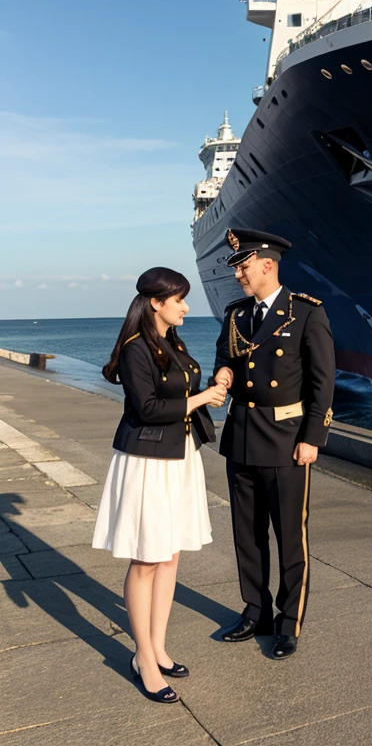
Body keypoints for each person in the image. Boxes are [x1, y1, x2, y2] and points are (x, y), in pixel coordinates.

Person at [92, 267, 227, 702]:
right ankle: (143, 659)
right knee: (147, 559)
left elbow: (177, 393)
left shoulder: (174, 343)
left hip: (178, 457)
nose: (187, 306)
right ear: (157, 302)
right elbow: (149, 408)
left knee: (169, 556)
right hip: (148, 460)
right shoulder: (136, 349)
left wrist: (214, 384)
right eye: (180, 299)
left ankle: (159, 647)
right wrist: (203, 398)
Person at [212, 228, 335, 660]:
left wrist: (312, 439)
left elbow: (323, 382)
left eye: (244, 267)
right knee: (246, 534)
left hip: (287, 441)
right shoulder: (236, 314)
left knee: (289, 536)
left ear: (267, 264)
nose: (239, 275)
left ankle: (288, 622)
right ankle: (255, 611)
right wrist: (223, 375)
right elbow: (225, 356)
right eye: (237, 269)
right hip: (242, 435)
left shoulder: (305, 313)